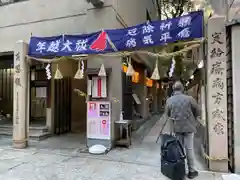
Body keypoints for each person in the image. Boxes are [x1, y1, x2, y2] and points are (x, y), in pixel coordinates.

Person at [164, 81, 201, 179]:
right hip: (189, 127)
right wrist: (194, 119)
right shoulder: (190, 99)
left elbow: (167, 113)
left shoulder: (170, 100)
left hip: (177, 127)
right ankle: (192, 171)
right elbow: (198, 110)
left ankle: (180, 171)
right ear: (182, 89)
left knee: (178, 149)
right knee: (189, 149)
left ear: (173, 89)